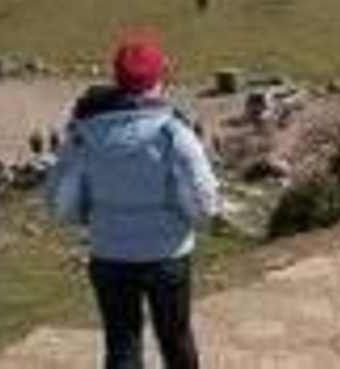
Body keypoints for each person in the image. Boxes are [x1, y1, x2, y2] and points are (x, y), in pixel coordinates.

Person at [47, 33, 219, 369]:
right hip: (167, 254)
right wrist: (186, 220)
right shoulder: (173, 132)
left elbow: (59, 199)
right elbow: (205, 202)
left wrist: (87, 218)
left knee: (122, 343)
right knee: (176, 338)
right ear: (159, 79)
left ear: (118, 78)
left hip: (109, 252)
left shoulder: (84, 133)